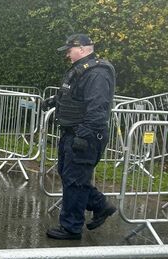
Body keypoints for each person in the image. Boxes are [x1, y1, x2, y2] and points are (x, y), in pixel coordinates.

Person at [44, 33, 117, 240]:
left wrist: (84, 136)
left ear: (84, 49)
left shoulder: (97, 73)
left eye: (70, 49)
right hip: (72, 132)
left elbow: (97, 108)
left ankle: (71, 227)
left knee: (75, 180)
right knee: (69, 175)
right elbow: (73, 96)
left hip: (85, 135)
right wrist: (53, 102)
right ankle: (100, 205)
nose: (67, 54)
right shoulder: (81, 70)